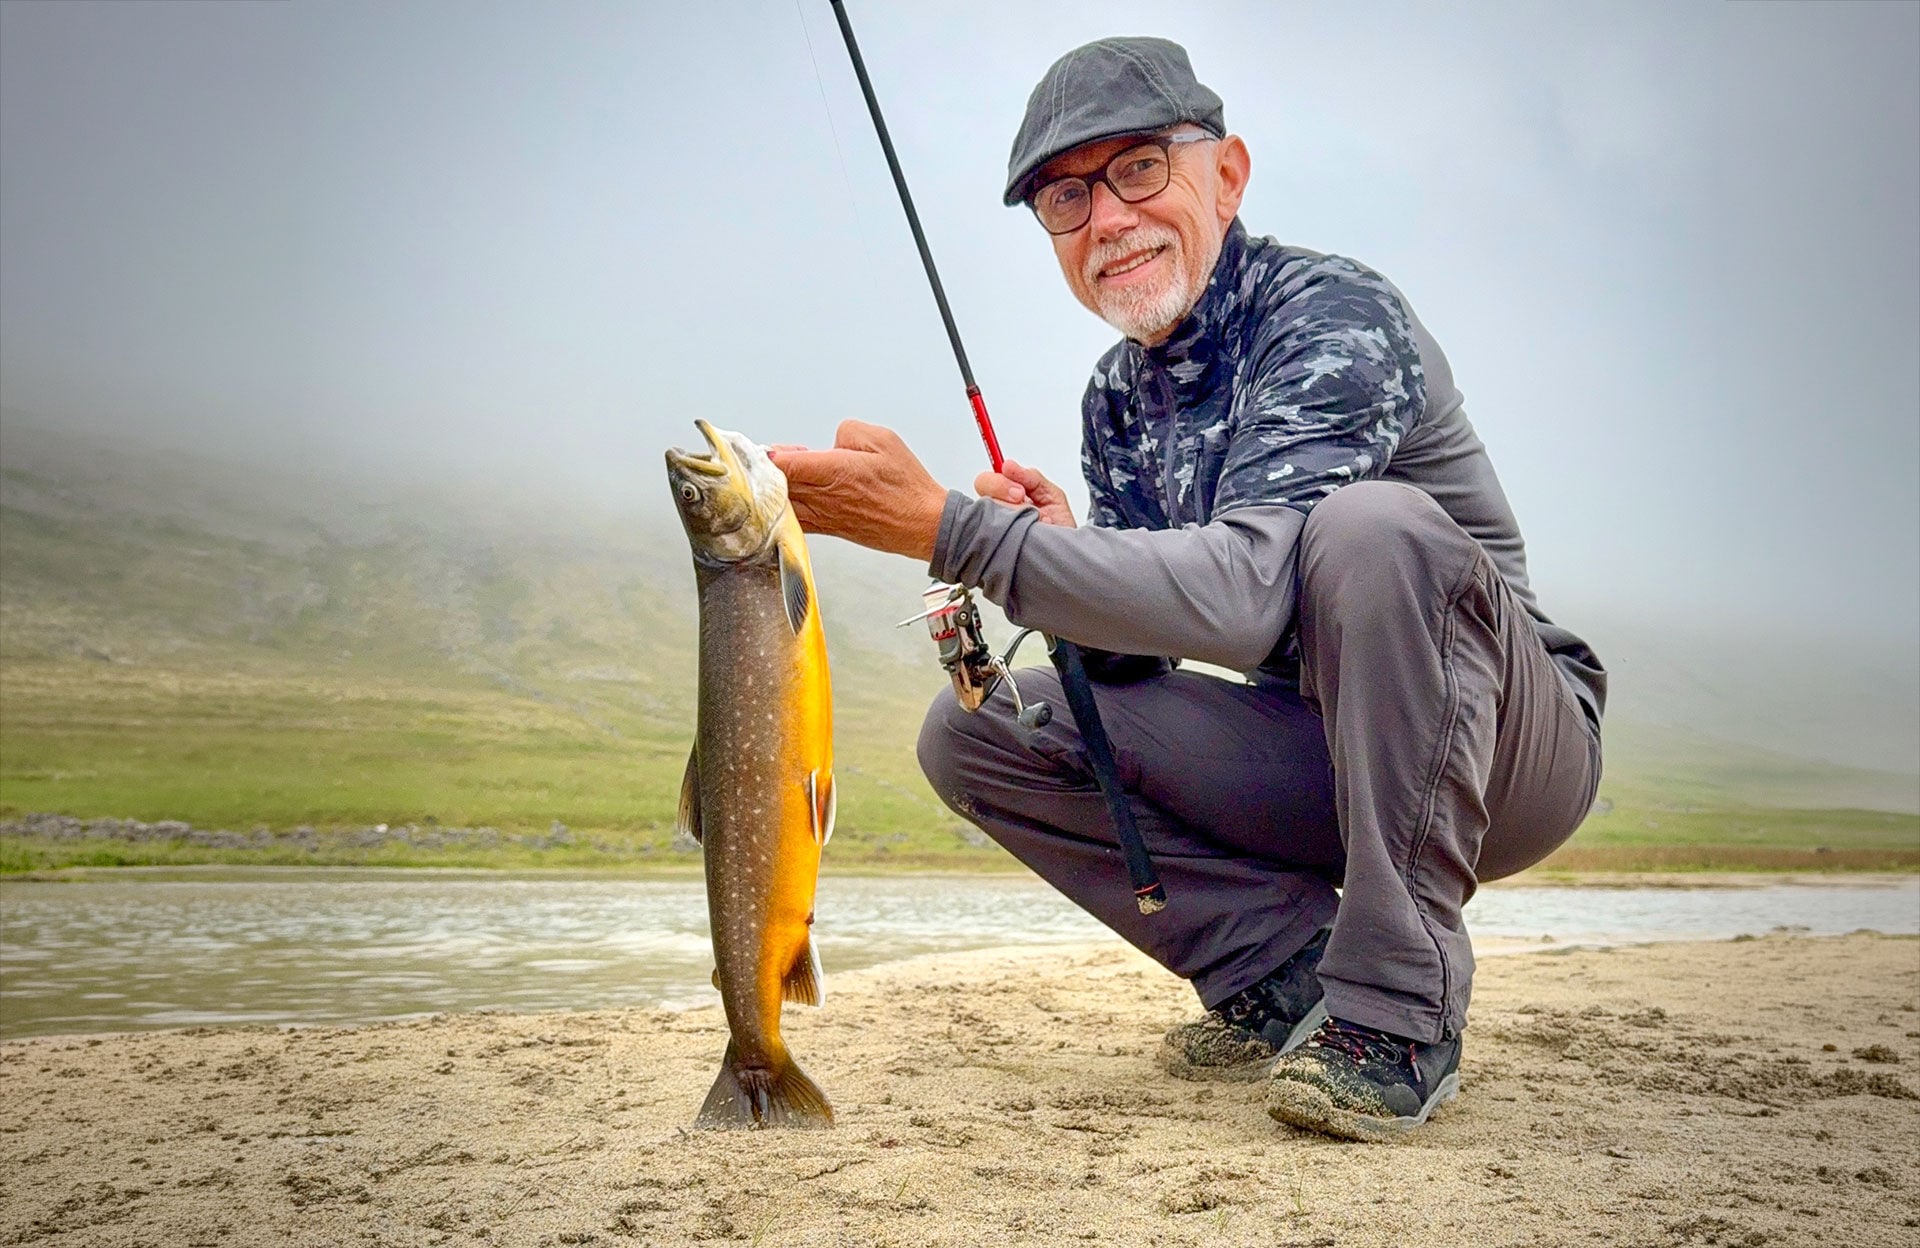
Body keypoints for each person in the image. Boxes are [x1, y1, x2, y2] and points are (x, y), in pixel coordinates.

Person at [769, 36, 1605, 1142]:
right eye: (1067, 197)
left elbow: (1249, 596)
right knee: (983, 728)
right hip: (1320, 752)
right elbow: (1143, 666)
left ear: (1228, 174)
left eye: (1139, 169)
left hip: (1505, 749)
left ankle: (1399, 1009)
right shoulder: (1117, 399)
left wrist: (952, 530)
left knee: (1372, 528)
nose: (1107, 215)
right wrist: (1063, 567)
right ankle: (1282, 973)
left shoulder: (1332, 315)